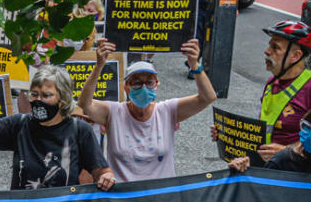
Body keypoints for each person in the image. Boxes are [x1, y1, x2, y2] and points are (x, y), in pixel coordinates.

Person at [0, 66, 116, 192]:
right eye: (34, 94)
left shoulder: (79, 130)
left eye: (46, 95)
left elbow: (101, 171)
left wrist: (106, 177)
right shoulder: (20, 125)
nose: (38, 100)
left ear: (63, 100)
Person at [77, 38, 213, 182]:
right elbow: (85, 103)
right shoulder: (113, 112)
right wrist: (99, 66)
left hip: (160, 196)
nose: (143, 87)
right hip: (122, 197)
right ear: (126, 88)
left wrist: (195, 65)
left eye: (149, 82)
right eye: (136, 83)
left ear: (156, 85)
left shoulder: (167, 111)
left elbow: (207, 97)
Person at [214, 21, 311, 162]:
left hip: (296, 172)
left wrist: (287, 152)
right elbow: (265, 129)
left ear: (295, 56)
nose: (267, 51)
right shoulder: (272, 83)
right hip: (270, 166)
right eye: (269, 45)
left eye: (275, 47)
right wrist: (226, 134)